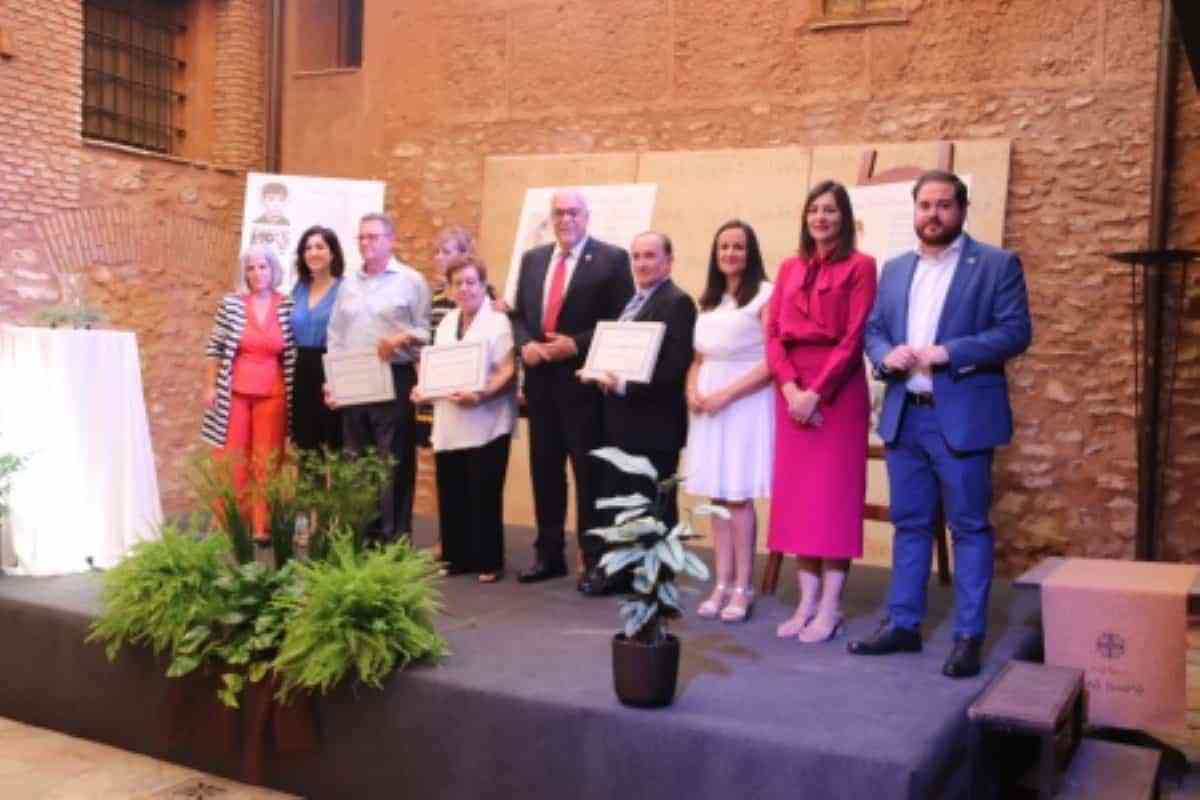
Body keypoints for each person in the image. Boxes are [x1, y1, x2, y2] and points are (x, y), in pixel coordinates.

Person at [849, 170, 1032, 678]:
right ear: (915, 210)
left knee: (968, 527)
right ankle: (903, 624)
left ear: (962, 209)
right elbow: (875, 329)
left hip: (963, 419)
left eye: (944, 205)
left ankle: (968, 636)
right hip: (905, 415)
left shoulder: (995, 264)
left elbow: (1016, 332)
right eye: (925, 205)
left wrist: (949, 352)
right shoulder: (895, 268)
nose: (933, 214)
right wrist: (885, 355)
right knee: (909, 524)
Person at [766, 180, 877, 643]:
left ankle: (830, 606)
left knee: (833, 500)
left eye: (830, 210)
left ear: (844, 218)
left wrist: (816, 393)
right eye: (814, 209)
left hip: (837, 391)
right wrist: (791, 388)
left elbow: (854, 337)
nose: (821, 218)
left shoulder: (861, 265)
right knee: (800, 501)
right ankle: (805, 602)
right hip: (791, 388)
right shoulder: (789, 266)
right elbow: (772, 333)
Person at [509, 189, 634, 585]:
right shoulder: (532, 259)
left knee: (589, 475)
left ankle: (593, 559)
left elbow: (623, 321)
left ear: (587, 217)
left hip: (584, 386)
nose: (566, 220)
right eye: (559, 213)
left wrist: (575, 345)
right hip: (540, 385)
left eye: (573, 213)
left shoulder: (612, 260)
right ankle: (548, 556)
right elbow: (517, 316)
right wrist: (524, 344)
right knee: (545, 473)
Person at [579, 231, 696, 596]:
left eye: (650, 256)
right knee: (623, 501)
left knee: (654, 506)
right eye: (636, 256)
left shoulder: (677, 302)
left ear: (668, 261)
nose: (642, 263)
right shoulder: (632, 302)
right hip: (622, 423)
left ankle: (655, 579)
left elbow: (673, 368)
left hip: (655, 426)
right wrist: (599, 374)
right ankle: (623, 572)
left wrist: (622, 385)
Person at [686, 220, 774, 623]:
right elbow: (699, 359)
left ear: (750, 252)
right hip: (708, 407)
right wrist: (692, 390)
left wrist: (725, 395)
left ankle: (743, 587)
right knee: (717, 499)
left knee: (738, 497)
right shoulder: (709, 301)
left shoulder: (766, 295)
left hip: (744, 403)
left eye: (738, 247)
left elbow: (772, 362)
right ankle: (721, 583)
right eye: (723, 247)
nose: (730, 254)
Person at [326, 212, 432, 542]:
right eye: (361, 237)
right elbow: (336, 335)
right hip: (354, 379)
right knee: (358, 461)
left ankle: (394, 539)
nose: (365, 243)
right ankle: (363, 536)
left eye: (372, 236)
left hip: (394, 376)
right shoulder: (348, 283)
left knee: (394, 461)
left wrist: (402, 338)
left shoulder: (411, 280)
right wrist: (332, 381)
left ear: (391, 240)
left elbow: (426, 332)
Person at [412, 255, 517, 583]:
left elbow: (508, 370)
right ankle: (456, 557)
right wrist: (422, 389)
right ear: (449, 288)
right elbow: (435, 368)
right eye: (458, 283)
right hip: (449, 419)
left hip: (488, 419)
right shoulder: (446, 322)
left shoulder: (498, 322)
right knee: (451, 489)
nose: (465, 289)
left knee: (484, 492)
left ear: (483, 285)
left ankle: (489, 561)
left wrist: (481, 394)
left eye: (471, 282)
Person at [201, 245, 297, 543]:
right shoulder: (231, 304)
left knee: (267, 459)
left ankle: (261, 526)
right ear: (245, 273)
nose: (257, 273)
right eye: (251, 268)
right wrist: (210, 385)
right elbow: (215, 347)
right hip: (235, 392)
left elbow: (293, 350)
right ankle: (229, 523)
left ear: (273, 269)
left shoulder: (288, 305)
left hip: (274, 391)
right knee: (231, 460)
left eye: (263, 267)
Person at [290, 226, 344, 454]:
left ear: (332, 253)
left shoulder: (345, 288)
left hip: (333, 368)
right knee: (306, 445)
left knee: (335, 443)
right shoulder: (298, 289)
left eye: (320, 247)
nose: (313, 252)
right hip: (302, 368)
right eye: (308, 248)